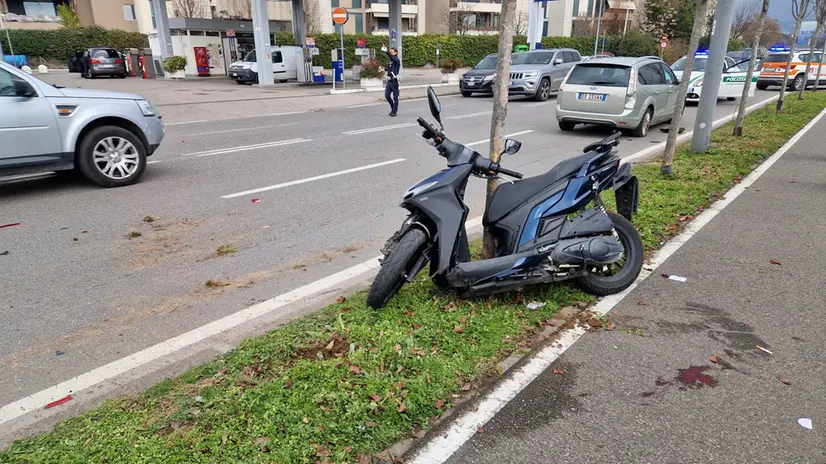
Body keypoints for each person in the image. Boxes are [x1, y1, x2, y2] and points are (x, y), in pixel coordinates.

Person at [382, 42, 400, 117]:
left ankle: (394, 111)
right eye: (390, 51)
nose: (391, 53)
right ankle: (393, 108)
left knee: (395, 97)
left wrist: (386, 51)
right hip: (389, 81)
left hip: (394, 81)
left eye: (392, 52)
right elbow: (389, 68)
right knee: (387, 95)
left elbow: (392, 57)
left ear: (396, 53)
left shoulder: (396, 60)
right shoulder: (391, 61)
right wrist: (383, 69)